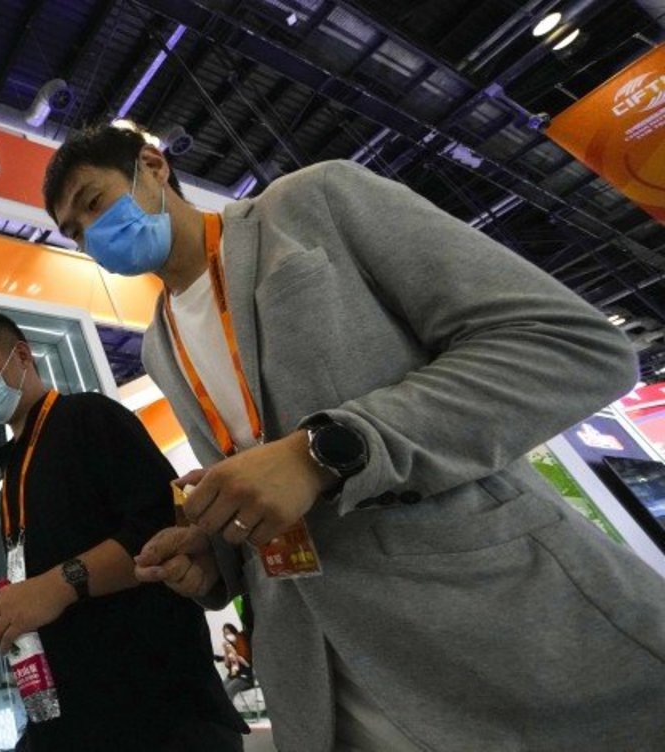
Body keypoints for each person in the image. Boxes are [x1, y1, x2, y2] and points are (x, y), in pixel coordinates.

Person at [42, 122, 665, 750]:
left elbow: (569, 345)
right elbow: (264, 483)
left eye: (94, 202)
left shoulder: (312, 203)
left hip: (500, 632)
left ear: (153, 166)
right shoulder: (158, 344)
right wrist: (216, 554)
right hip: (322, 691)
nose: (92, 233)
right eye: (75, 231)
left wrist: (322, 452)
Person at [0, 312, 246, 752]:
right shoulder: (11, 470)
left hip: (156, 709)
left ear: (22, 356)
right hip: (73, 715)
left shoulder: (87, 416)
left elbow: (163, 531)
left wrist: (57, 585)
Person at [219, 623, 253, 702]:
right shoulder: (229, 646)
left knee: (228, 691)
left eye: (229, 632)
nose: (227, 635)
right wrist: (226, 651)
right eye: (225, 633)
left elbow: (246, 662)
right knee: (219, 690)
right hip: (233, 675)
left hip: (245, 675)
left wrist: (235, 654)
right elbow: (227, 665)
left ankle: (228, 709)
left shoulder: (242, 642)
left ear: (234, 632)